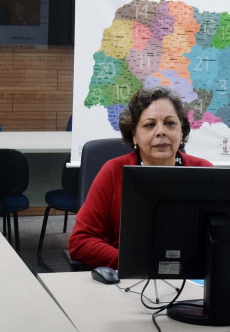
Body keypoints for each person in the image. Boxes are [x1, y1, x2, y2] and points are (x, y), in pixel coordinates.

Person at [69, 87, 213, 269]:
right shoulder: (113, 172)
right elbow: (80, 241)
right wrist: (134, 263)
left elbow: (225, 238)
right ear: (134, 135)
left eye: (170, 123)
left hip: (192, 278)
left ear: (182, 132)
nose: (161, 132)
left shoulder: (204, 172)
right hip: (129, 278)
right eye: (149, 125)